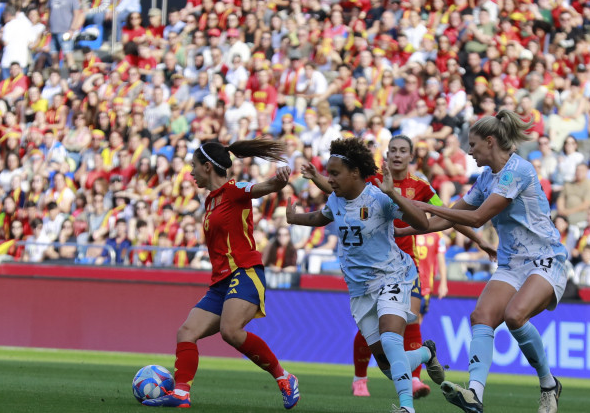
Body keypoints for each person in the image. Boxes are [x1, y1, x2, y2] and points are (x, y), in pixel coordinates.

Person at [398, 109, 567, 413]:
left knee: (515, 316)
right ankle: (474, 394)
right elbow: (446, 218)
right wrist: (401, 230)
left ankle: (548, 384)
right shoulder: (487, 177)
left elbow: (476, 218)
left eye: (473, 145)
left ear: (490, 142)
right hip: (512, 264)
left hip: (545, 259)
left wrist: (424, 205)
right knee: (481, 317)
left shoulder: (519, 170)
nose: (469, 151)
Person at [303, 135, 485, 399]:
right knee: (376, 331)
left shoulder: (421, 187)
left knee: (407, 321)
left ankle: (410, 381)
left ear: (411, 156)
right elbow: (339, 192)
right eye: (393, 150)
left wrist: (479, 240)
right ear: (387, 155)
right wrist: (314, 179)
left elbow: (447, 214)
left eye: (403, 151)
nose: (398, 155)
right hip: (369, 267)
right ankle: (363, 377)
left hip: (404, 265)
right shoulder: (372, 179)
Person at [286, 137, 446, 413]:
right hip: (360, 289)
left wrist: (395, 195)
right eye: (329, 173)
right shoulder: (336, 200)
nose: (330, 179)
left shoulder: (378, 199)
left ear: (355, 173)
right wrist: (294, 218)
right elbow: (322, 217)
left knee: (390, 338)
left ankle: (406, 408)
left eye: (334, 174)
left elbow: (421, 223)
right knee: (387, 364)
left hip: (393, 276)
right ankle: (425, 353)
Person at [142, 139, 300, 409]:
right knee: (186, 332)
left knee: (230, 331)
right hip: (220, 283)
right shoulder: (210, 201)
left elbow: (263, 187)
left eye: (193, 166)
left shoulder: (234, 189)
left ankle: (284, 377)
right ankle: (181, 394)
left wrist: (278, 182)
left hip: (245, 271)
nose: (190, 172)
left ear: (207, 166)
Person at [49, 0, 82, 72]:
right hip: (53, 31)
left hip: (65, 31)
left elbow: (77, 14)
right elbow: (49, 12)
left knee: (68, 55)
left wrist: (72, 29)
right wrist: (47, 26)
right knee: (54, 57)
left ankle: (72, 78)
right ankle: (55, 78)